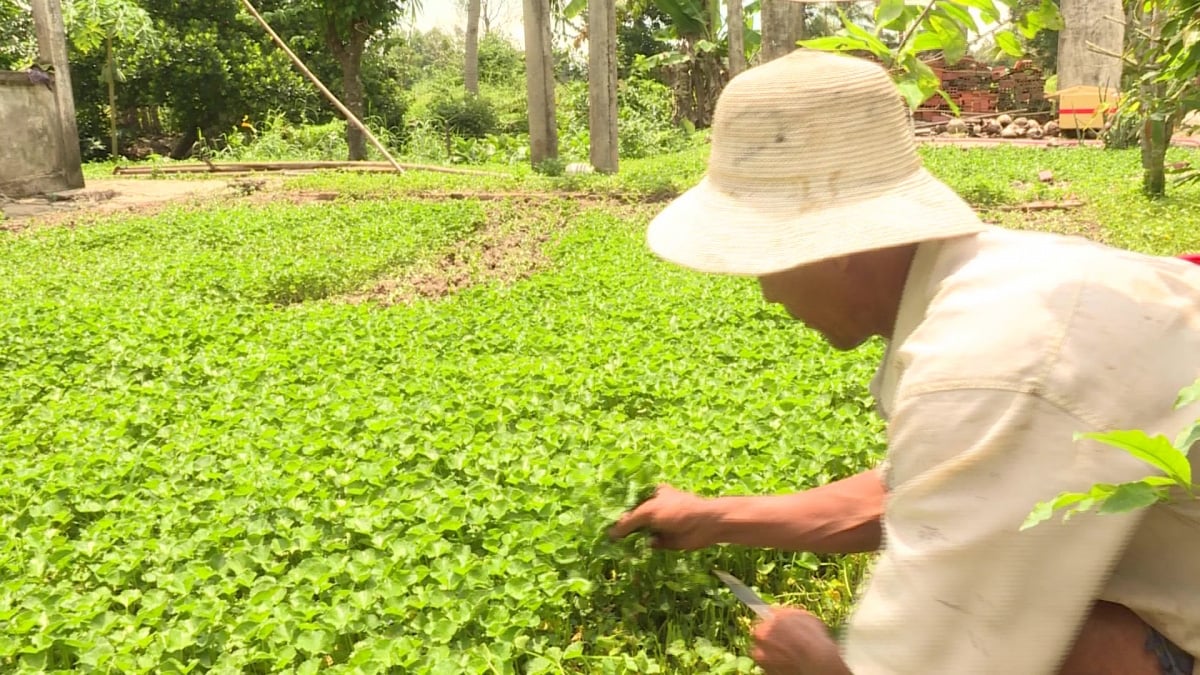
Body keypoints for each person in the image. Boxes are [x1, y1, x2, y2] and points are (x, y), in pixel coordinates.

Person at [607, 50, 1200, 675]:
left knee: (1056, 644)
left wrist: (821, 664)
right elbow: (919, 493)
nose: (769, 293)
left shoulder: (988, 361)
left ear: (833, 248)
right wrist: (716, 517)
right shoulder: (996, 284)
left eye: (766, 263)